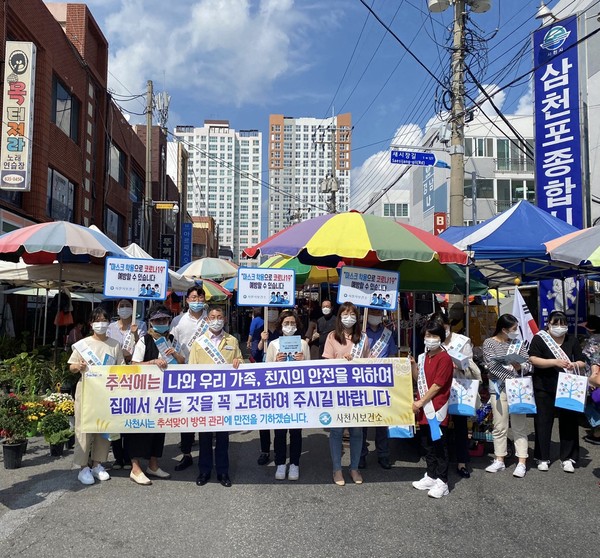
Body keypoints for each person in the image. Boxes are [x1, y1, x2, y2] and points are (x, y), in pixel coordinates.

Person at [127, 305, 185, 485]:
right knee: (139, 427)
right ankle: (135, 468)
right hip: (144, 391)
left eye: (164, 320)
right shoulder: (145, 340)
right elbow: (134, 364)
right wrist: (153, 362)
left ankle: (153, 464)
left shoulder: (173, 340)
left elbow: (183, 362)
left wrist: (174, 353)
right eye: (157, 320)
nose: (161, 323)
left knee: (159, 427)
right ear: (151, 322)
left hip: (164, 392)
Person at [68, 307, 125, 485]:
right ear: (91, 323)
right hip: (86, 390)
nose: (101, 323)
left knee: (103, 428)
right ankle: (82, 466)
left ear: (108, 323)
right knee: (84, 428)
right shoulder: (83, 344)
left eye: (104, 320)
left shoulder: (114, 344)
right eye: (97, 320)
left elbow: (122, 367)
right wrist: (79, 366)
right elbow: (71, 366)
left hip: (107, 392)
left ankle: (97, 463)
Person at [189, 305, 243, 488]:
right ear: (207, 320)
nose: (216, 320)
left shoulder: (232, 341)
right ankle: (204, 470)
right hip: (205, 396)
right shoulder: (198, 342)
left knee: (222, 436)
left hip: (225, 397)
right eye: (212, 317)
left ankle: (223, 471)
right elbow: (191, 369)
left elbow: (241, 361)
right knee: (204, 436)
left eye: (219, 316)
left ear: (224, 319)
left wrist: (239, 361)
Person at [529, 311, 586, 473]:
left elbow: (582, 360)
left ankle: (568, 457)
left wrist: (574, 364)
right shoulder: (540, 339)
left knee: (569, 421)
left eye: (563, 324)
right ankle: (542, 457)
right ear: (548, 324)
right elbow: (533, 359)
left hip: (568, 387)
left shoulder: (571, 340)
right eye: (556, 324)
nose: (560, 327)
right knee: (543, 421)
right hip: (544, 386)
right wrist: (554, 362)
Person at [323, 302, 370, 486]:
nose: (348, 317)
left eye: (352, 314)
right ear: (340, 316)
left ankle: (354, 468)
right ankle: (337, 469)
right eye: (345, 313)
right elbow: (325, 362)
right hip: (338, 391)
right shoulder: (332, 337)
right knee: (336, 431)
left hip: (357, 392)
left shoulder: (363, 338)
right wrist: (340, 361)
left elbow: (369, 361)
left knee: (357, 431)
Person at [482, 314, 532, 478]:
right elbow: (491, 365)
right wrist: (511, 372)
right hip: (498, 388)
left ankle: (522, 461)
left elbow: (528, 364)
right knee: (499, 425)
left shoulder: (518, 343)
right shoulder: (489, 343)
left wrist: (519, 366)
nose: (516, 332)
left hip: (517, 389)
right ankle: (499, 459)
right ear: (503, 329)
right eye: (513, 329)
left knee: (519, 425)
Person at [433, 311, 481, 479]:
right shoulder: (433, 341)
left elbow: (471, 366)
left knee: (461, 425)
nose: (441, 332)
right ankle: (440, 459)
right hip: (439, 388)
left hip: (460, 387)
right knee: (440, 425)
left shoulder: (462, 341)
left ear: (449, 325)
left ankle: (462, 461)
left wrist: (459, 366)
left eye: (444, 327)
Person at [410, 319, 454, 499]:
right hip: (424, 408)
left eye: (434, 335)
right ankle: (431, 475)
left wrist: (420, 403)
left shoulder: (444, 358)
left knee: (439, 444)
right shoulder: (424, 356)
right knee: (426, 443)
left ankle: (443, 482)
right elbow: (417, 378)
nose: (431, 339)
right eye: (428, 335)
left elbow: (437, 385)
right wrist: (413, 364)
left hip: (436, 408)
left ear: (441, 337)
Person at [266, 310, 310, 481]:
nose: (289, 326)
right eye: (286, 323)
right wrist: (276, 362)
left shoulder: (303, 344)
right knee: (279, 432)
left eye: (292, 323)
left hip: (297, 394)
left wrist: (302, 362)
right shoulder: (273, 345)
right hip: (279, 394)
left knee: (296, 432)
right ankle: (280, 463)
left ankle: (294, 464)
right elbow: (266, 370)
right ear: (281, 325)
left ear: (297, 325)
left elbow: (311, 371)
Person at [170, 285, 208, 471]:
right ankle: (186, 453)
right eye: (193, 298)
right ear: (187, 300)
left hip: (207, 373)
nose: (197, 301)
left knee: (206, 412)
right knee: (187, 414)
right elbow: (172, 346)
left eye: (200, 297)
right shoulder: (177, 321)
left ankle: (206, 453)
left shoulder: (211, 320)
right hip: (184, 372)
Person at [106, 298, 147, 470]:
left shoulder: (141, 325)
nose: (124, 309)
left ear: (133, 308)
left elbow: (142, 347)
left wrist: (136, 334)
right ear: (117, 309)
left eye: (128, 306)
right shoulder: (110, 328)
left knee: (129, 414)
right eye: (121, 306)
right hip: (114, 375)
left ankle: (131, 456)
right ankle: (118, 457)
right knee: (115, 416)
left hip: (133, 374)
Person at [360, 308, 398, 470]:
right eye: (372, 313)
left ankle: (383, 455)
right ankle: (361, 455)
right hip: (362, 380)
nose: (375, 316)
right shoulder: (361, 333)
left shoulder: (388, 334)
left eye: (377, 313)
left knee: (382, 421)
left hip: (381, 381)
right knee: (362, 421)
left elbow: (393, 356)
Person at [255, 307, 281, 465]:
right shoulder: (260, 329)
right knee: (264, 417)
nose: (271, 312)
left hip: (280, 379)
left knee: (278, 416)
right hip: (263, 377)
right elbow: (254, 355)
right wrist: (261, 342)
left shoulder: (283, 330)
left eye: (274, 309)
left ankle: (279, 449)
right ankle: (265, 450)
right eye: (269, 309)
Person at [581, 315, 600, 444]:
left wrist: (593, 377)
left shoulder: (593, 341)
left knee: (586, 404)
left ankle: (598, 428)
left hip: (593, 379)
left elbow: (594, 360)